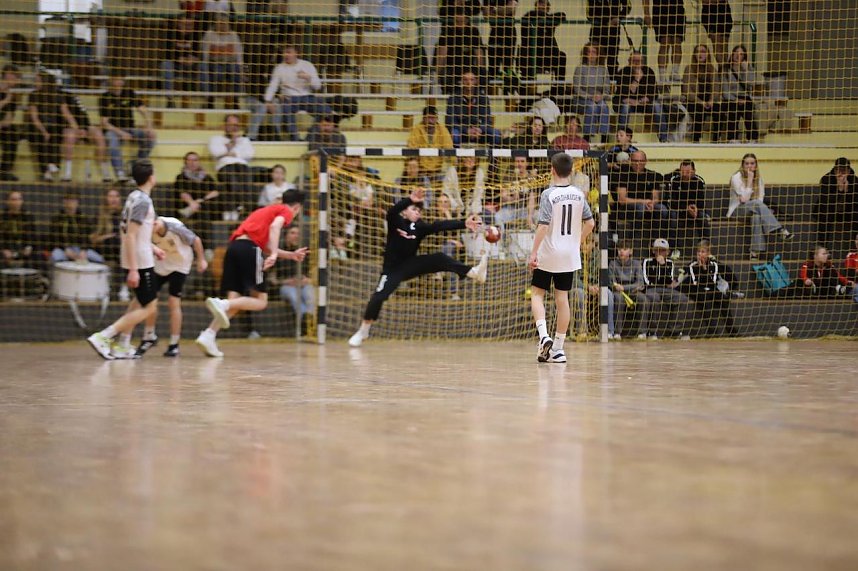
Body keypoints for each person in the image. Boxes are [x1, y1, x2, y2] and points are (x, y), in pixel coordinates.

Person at [347, 187, 489, 347]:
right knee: (379, 296)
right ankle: (364, 329)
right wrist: (410, 199)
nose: (417, 212)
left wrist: (463, 223)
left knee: (439, 258)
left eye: (419, 210)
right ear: (405, 212)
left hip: (410, 265)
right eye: (413, 209)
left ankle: (473, 272)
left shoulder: (419, 227)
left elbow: (439, 225)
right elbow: (392, 211)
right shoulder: (396, 221)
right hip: (392, 269)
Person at [195, 189, 308, 358]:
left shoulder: (264, 211)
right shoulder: (286, 210)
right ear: (297, 206)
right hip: (249, 250)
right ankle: (222, 305)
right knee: (260, 302)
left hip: (234, 249)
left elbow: (268, 246)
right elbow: (275, 227)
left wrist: (290, 255)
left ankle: (208, 335)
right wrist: (276, 255)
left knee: (236, 301)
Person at [86, 160, 160, 360]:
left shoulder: (133, 197)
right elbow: (130, 235)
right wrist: (134, 269)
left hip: (138, 256)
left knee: (138, 301)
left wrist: (154, 248)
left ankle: (123, 344)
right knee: (150, 307)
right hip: (140, 261)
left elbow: (132, 232)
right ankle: (104, 336)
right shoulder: (143, 201)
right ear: (151, 177)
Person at [527, 152, 596, 363]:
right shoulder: (578, 194)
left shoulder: (548, 194)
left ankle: (544, 336)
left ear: (552, 170)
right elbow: (591, 223)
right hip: (569, 254)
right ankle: (558, 348)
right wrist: (577, 242)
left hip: (549, 252)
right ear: (572, 171)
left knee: (537, 295)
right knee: (562, 299)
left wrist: (533, 252)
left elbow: (543, 225)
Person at [135, 216, 208, 357]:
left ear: (156, 223)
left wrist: (201, 260)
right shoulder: (148, 229)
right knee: (149, 301)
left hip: (180, 265)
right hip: (161, 264)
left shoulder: (175, 227)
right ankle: (149, 336)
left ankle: (174, 344)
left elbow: (196, 240)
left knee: (173, 302)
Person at [727, 153, 792, 260]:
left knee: (756, 216)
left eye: (752, 163)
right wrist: (749, 180)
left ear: (756, 165)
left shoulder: (759, 180)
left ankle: (755, 252)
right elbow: (744, 200)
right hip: (737, 211)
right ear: (742, 165)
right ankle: (779, 229)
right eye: (746, 163)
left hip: (754, 210)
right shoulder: (736, 177)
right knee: (756, 204)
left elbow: (760, 199)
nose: (749, 166)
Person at [262, 45, 330, 142]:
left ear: (296, 53)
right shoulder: (279, 68)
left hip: (307, 97)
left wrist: (308, 78)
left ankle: (310, 137)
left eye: (289, 52)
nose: (286, 55)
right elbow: (273, 85)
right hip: (289, 98)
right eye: (284, 52)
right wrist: (268, 100)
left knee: (326, 110)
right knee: (287, 111)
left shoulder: (307, 65)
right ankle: (295, 139)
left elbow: (318, 86)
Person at [99, 76, 156, 182]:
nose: (118, 82)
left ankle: (135, 165)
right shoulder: (105, 97)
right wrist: (121, 133)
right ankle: (120, 172)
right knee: (112, 141)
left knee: (150, 138)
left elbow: (144, 111)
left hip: (130, 129)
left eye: (120, 79)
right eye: (115, 79)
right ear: (111, 81)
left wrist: (149, 127)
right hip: (113, 130)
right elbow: (104, 123)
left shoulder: (129, 93)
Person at [679, 239, 739, 337]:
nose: (700, 254)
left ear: (708, 253)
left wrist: (705, 268)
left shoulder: (714, 264)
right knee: (704, 299)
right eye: (698, 252)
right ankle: (712, 331)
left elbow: (713, 282)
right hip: (697, 290)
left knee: (722, 299)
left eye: (703, 252)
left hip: (710, 289)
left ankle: (732, 330)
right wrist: (701, 268)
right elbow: (696, 282)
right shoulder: (692, 265)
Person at [614, 51, 668, 143]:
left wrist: (643, 100)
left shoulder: (649, 71)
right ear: (629, 61)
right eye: (634, 60)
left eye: (639, 61)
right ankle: (621, 138)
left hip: (645, 104)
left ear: (643, 62)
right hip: (629, 104)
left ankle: (663, 138)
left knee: (657, 105)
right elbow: (623, 94)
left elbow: (654, 93)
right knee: (625, 107)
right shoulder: (623, 72)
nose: (636, 63)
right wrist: (637, 79)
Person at [60, 88, 112, 183]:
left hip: (83, 126)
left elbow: (83, 114)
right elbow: (66, 115)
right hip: (68, 128)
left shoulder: (71, 96)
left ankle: (105, 172)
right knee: (70, 137)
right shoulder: (57, 98)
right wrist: (77, 129)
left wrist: (84, 128)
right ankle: (67, 173)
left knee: (99, 135)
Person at [641, 237, 689, 339]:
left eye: (663, 250)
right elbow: (646, 280)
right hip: (651, 289)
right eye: (657, 250)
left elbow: (669, 281)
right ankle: (652, 332)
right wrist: (659, 283)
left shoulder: (670, 263)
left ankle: (674, 331)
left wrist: (663, 265)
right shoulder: (647, 262)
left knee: (682, 299)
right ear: (653, 251)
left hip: (666, 290)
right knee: (654, 298)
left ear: (667, 252)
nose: (660, 253)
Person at [209, 113, 256, 213]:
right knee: (233, 183)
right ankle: (241, 206)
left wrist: (231, 153)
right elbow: (215, 153)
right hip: (225, 167)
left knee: (247, 184)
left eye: (236, 125)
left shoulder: (244, 140)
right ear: (225, 125)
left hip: (242, 167)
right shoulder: (216, 139)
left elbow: (250, 154)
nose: (233, 128)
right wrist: (232, 144)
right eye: (231, 125)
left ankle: (243, 208)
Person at [445, 71, 502, 147]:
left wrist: (480, 129)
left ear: (476, 81)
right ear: (461, 81)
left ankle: (493, 159)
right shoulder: (453, 98)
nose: (469, 82)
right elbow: (451, 121)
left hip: (480, 132)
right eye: (466, 79)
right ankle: (457, 159)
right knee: (454, 134)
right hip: (462, 132)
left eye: (472, 79)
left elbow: (487, 120)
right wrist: (466, 130)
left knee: (496, 134)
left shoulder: (483, 98)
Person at [435, 10, 486, 94]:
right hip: (452, 67)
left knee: (482, 74)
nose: (459, 24)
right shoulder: (447, 32)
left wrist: (481, 70)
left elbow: (479, 54)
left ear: (466, 20)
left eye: (461, 21)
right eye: (456, 21)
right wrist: (439, 73)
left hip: (469, 67)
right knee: (446, 76)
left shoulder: (473, 31)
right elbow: (441, 56)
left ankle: (477, 96)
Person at [200, 14, 244, 110]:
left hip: (230, 63)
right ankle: (209, 101)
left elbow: (239, 54)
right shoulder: (209, 34)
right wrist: (206, 66)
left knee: (237, 72)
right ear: (215, 24)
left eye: (225, 23)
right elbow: (205, 54)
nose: (223, 25)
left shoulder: (233, 35)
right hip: (214, 63)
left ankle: (235, 101)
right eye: (220, 23)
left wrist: (241, 69)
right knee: (214, 73)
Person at [665, 159, 711, 250]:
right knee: (672, 216)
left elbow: (701, 201)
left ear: (694, 171)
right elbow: (671, 202)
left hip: (695, 210)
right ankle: (674, 249)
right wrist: (686, 208)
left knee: (703, 217)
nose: (685, 174)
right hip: (679, 210)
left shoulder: (699, 181)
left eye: (688, 172)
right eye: (683, 171)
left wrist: (695, 208)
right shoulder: (673, 181)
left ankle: (705, 249)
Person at [277, 225, 314, 336]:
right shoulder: (279, 252)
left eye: (298, 233)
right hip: (286, 286)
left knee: (310, 294)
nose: (296, 236)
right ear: (286, 235)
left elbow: (312, 273)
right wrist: (286, 281)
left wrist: (308, 279)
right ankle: (304, 323)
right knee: (294, 296)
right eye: (292, 233)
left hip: (303, 285)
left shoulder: (305, 252)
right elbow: (271, 279)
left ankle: (310, 322)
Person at [718, 45, 759, 143]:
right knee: (733, 108)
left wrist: (745, 70)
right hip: (730, 98)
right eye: (736, 52)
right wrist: (736, 100)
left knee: (748, 108)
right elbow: (725, 91)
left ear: (744, 57)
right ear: (732, 54)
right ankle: (733, 138)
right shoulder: (725, 69)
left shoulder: (748, 68)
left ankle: (752, 138)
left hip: (744, 97)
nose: (737, 55)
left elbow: (751, 84)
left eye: (741, 54)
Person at [160, 14, 203, 108]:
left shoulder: (196, 35)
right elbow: (166, 54)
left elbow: (200, 54)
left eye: (190, 25)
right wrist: (178, 59)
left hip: (191, 66)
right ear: (179, 24)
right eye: (185, 24)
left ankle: (207, 100)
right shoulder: (171, 34)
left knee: (203, 65)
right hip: (176, 65)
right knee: (165, 64)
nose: (188, 27)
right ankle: (170, 99)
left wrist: (194, 59)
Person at [609, 240, 649, 339]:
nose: (621, 252)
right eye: (619, 249)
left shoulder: (636, 263)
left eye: (625, 249)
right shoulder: (613, 264)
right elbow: (611, 282)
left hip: (632, 291)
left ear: (630, 251)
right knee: (618, 299)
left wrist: (625, 287)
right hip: (618, 292)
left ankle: (642, 332)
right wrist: (616, 286)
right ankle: (617, 332)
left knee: (643, 299)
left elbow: (640, 283)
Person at [815, 157, 856, 253]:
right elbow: (825, 202)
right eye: (838, 170)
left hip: (847, 213)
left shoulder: (855, 181)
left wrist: (847, 191)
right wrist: (839, 190)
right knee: (824, 214)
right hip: (829, 211)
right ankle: (822, 247)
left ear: (849, 171)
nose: (840, 173)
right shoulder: (826, 179)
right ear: (834, 169)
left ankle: (856, 245)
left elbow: (855, 203)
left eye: (843, 170)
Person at [49, 191, 104, 264]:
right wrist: (65, 249)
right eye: (68, 200)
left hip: (80, 249)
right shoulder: (57, 218)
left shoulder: (83, 219)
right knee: (56, 256)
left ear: (77, 202)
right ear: (64, 202)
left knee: (99, 259)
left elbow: (87, 238)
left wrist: (83, 250)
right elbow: (54, 238)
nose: (70, 203)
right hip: (63, 249)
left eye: (73, 200)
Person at [520, 0, 567, 83]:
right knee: (524, 55)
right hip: (533, 55)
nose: (541, 6)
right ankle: (526, 89)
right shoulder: (529, 16)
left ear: (548, 7)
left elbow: (562, 15)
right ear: (536, 6)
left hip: (548, 55)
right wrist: (544, 18)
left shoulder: (551, 20)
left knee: (562, 56)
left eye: (544, 3)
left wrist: (545, 18)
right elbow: (529, 17)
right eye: (540, 3)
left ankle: (559, 88)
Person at [571, 43, 611, 142]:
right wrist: (590, 96)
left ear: (598, 54)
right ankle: (587, 137)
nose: (591, 54)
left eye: (593, 52)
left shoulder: (603, 70)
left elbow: (607, 90)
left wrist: (601, 96)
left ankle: (604, 137)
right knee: (592, 106)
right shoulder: (580, 69)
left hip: (599, 99)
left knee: (604, 106)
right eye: (588, 52)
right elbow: (577, 89)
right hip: (582, 100)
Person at [643, 0, 686, 84]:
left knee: (677, 42)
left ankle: (675, 72)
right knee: (664, 42)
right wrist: (646, 13)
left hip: (677, 9)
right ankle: (662, 76)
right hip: (660, 10)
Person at [406, 106, 454, 179]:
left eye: (433, 118)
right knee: (412, 163)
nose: (431, 121)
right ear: (423, 118)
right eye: (428, 118)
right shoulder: (417, 129)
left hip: (437, 169)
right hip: (420, 170)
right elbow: (411, 148)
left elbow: (449, 148)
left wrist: (454, 165)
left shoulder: (442, 130)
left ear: (437, 119)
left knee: (452, 169)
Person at [682, 44, 717, 143]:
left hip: (709, 101)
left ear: (707, 54)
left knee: (720, 110)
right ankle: (696, 139)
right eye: (698, 52)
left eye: (703, 51)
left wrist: (711, 100)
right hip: (693, 101)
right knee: (699, 110)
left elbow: (716, 88)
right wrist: (700, 101)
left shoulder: (712, 70)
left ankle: (716, 139)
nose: (700, 54)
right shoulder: (689, 69)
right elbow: (687, 91)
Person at [586, 0, 630, 79]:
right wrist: (607, 21)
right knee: (595, 60)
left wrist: (618, 18)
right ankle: (593, 84)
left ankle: (612, 86)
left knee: (612, 61)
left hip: (613, 32)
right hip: (597, 31)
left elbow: (628, 6)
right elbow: (589, 14)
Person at [0, 191, 37, 268]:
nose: (16, 202)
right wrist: (3, 249)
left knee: (38, 257)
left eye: (19, 199)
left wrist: (28, 247)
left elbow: (33, 236)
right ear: (7, 201)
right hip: (7, 249)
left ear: (22, 201)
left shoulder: (28, 217)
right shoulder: (2, 217)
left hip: (23, 248)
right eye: (13, 199)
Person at [0, 64, 22, 181]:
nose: (14, 80)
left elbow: (9, 120)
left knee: (12, 133)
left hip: (2, 127)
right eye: (11, 76)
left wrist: (9, 99)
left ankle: (5, 170)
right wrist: (5, 101)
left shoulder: (12, 96)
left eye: (15, 77)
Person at [701, 0, 734, 69]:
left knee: (724, 47)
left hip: (724, 11)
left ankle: (723, 71)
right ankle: (723, 71)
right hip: (710, 11)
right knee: (717, 45)